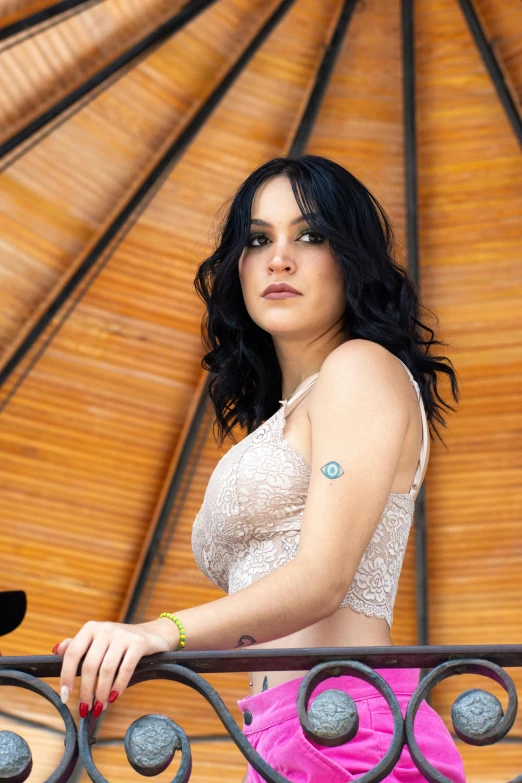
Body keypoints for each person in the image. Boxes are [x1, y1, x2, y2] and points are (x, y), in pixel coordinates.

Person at [53, 155, 466, 782]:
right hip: (276, 736)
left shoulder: (361, 368)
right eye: (257, 239)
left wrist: (159, 632)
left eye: (310, 235)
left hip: (353, 731)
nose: (279, 259)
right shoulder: (289, 413)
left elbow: (324, 578)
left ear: (351, 258)